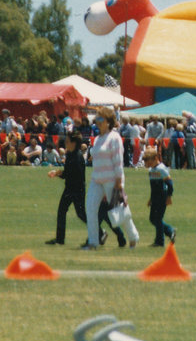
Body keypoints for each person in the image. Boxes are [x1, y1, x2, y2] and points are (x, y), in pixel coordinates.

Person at [84, 107, 137, 249]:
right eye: (97, 119)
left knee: (120, 212)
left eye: (101, 119)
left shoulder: (114, 137)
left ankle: (133, 237)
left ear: (108, 122)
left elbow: (118, 160)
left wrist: (119, 182)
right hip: (96, 179)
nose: (97, 122)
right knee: (90, 208)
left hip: (112, 180)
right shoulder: (97, 139)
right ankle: (93, 242)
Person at [46, 131, 95, 246]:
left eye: (68, 141)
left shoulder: (77, 157)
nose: (66, 143)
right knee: (62, 211)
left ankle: (99, 232)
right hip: (70, 189)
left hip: (77, 190)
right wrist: (58, 173)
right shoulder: (70, 154)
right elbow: (68, 173)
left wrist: (59, 173)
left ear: (74, 143)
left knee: (81, 214)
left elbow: (71, 174)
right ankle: (60, 239)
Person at [143, 147, 176, 247]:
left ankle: (159, 241)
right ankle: (170, 230)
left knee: (158, 218)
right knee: (153, 219)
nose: (146, 163)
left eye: (148, 161)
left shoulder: (162, 169)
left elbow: (170, 184)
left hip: (162, 197)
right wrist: (150, 199)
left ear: (155, 158)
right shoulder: (151, 171)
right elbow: (153, 187)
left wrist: (169, 197)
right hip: (155, 198)